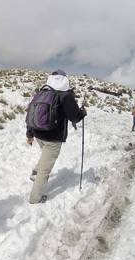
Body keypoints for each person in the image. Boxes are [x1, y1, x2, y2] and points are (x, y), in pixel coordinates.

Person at [26, 70, 86, 204]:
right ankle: (35, 198)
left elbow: (30, 114)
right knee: (45, 169)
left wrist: (29, 133)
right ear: (65, 80)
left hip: (38, 134)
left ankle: (35, 172)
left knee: (45, 156)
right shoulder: (66, 96)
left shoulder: (41, 92)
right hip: (53, 138)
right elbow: (74, 117)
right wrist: (83, 113)